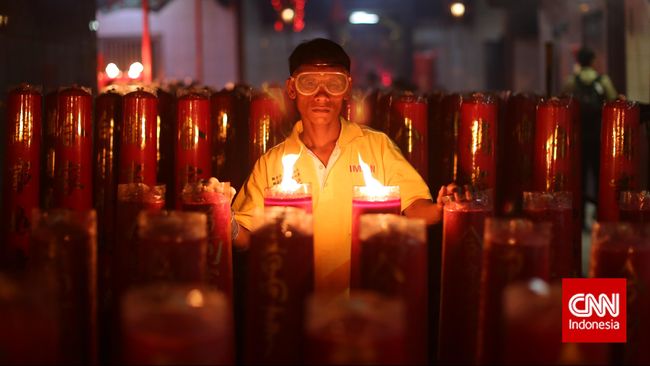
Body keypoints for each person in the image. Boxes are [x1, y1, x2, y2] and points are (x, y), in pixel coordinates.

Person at [232, 38, 451, 294]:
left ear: (347, 88)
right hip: (295, 302)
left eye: (333, 84)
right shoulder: (272, 163)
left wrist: (442, 208)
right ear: (291, 89)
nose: (321, 95)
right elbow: (247, 236)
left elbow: (414, 206)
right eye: (309, 83)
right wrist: (223, 217)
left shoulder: (375, 146)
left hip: (364, 300)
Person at [562, 46, 617, 227]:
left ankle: (581, 218)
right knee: (600, 175)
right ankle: (599, 215)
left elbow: (562, 103)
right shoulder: (603, 80)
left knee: (580, 177)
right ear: (593, 61)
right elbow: (614, 101)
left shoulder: (571, 82)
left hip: (578, 137)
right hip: (598, 136)